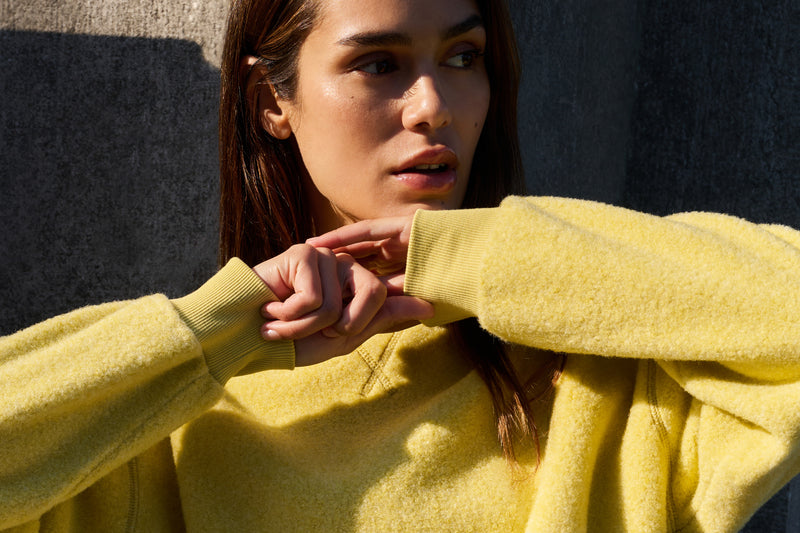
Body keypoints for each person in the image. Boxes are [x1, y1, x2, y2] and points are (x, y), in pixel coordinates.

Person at [1, 0, 799, 531]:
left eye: (464, 55)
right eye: (378, 64)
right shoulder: (168, 427)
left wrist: (479, 254)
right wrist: (217, 336)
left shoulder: (611, 389)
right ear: (271, 102)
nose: (434, 106)